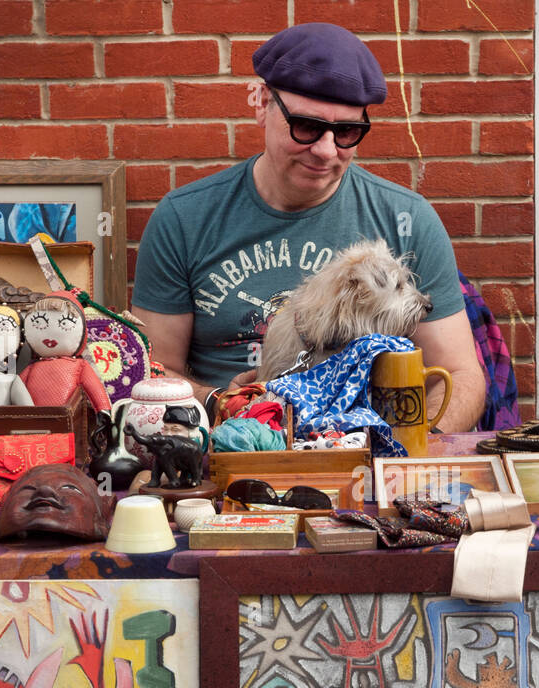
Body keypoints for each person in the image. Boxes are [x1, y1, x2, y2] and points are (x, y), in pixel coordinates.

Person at [132, 22, 484, 433]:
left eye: (347, 132)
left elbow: (461, 376)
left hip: (370, 451)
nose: (325, 150)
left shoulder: (406, 220)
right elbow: (154, 372)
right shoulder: (184, 219)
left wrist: (410, 452)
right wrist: (219, 403)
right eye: (306, 126)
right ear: (263, 103)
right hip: (233, 447)